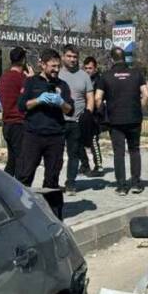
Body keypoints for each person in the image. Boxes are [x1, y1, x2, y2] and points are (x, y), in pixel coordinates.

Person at [17, 48, 73, 219]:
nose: (56, 69)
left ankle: (53, 215)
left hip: (55, 136)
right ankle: (20, 211)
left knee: (52, 177)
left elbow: (70, 110)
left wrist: (61, 102)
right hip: (33, 135)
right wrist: (38, 100)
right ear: (42, 64)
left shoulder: (62, 85)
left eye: (58, 66)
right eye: (52, 66)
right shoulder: (31, 82)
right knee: (25, 174)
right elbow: (21, 106)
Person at [96, 47, 148, 195]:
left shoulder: (105, 76)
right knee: (134, 150)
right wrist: (138, 109)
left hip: (115, 121)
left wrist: (102, 113)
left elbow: (97, 98)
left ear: (112, 59)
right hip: (134, 119)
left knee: (118, 153)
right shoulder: (137, 74)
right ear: (124, 58)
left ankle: (121, 186)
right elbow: (146, 95)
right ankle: (136, 184)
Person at [58, 45, 95, 194]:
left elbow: (90, 98)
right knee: (55, 154)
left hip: (77, 121)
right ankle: (52, 183)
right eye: (69, 56)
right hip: (58, 121)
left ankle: (71, 183)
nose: (72, 59)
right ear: (63, 57)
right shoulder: (57, 74)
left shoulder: (84, 76)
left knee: (74, 154)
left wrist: (88, 114)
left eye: (75, 57)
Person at [0, 46, 32, 177]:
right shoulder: (22, 79)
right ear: (23, 60)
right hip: (19, 123)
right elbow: (29, 97)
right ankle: (18, 190)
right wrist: (31, 79)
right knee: (21, 160)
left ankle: (3, 185)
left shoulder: (3, 78)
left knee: (11, 160)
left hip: (7, 124)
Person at [80, 56, 105, 176]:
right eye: (86, 68)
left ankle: (98, 166)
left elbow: (99, 99)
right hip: (83, 114)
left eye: (90, 68)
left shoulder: (99, 81)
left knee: (94, 140)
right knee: (79, 140)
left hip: (95, 116)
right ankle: (84, 164)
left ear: (95, 68)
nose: (88, 70)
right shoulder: (83, 80)